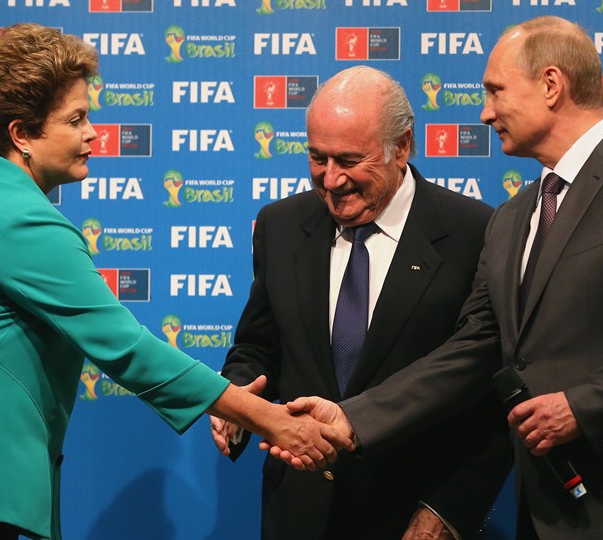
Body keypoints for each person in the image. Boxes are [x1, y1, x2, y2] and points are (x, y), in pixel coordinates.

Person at [0, 24, 348, 540]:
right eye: (75, 119)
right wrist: (269, 419)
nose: (93, 133)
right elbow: (127, 348)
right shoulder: (20, 220)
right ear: (21, 134)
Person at [277, 16, 603, 540]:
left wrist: (581, 406)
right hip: (543, 510)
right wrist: (353, 419)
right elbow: (474, 346)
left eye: (495, 90)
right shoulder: (514, 216)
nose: (485, 111)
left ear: (551, 85)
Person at [209, 66, 510, 540]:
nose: (330, 180)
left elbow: (490, 390)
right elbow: (257, 345)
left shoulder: (473, 232)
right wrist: (239, 394)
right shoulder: (281, 225)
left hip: (412, 516)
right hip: (299, 514)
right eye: (316, 157)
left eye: (349, 160)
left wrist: (448, 509)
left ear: (402, 146)